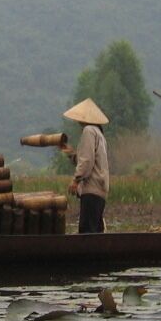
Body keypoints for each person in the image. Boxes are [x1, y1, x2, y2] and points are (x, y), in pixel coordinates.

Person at [63, 98, 109, 233]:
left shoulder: (89, 131)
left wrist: (76, 180)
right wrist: (70, 153)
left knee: (87, 232)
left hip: (92, 190)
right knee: (95, 231)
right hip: (100, 191)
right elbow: (85, 158)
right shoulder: (99, 134)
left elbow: (87, 162)